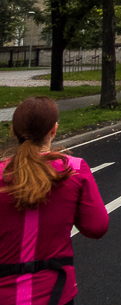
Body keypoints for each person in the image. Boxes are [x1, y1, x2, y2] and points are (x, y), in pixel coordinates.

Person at [1, 97, 109, 305]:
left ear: (13, 131)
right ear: (54, 129)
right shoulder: (74, 169)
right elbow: (96, 227)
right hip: (55, 292)